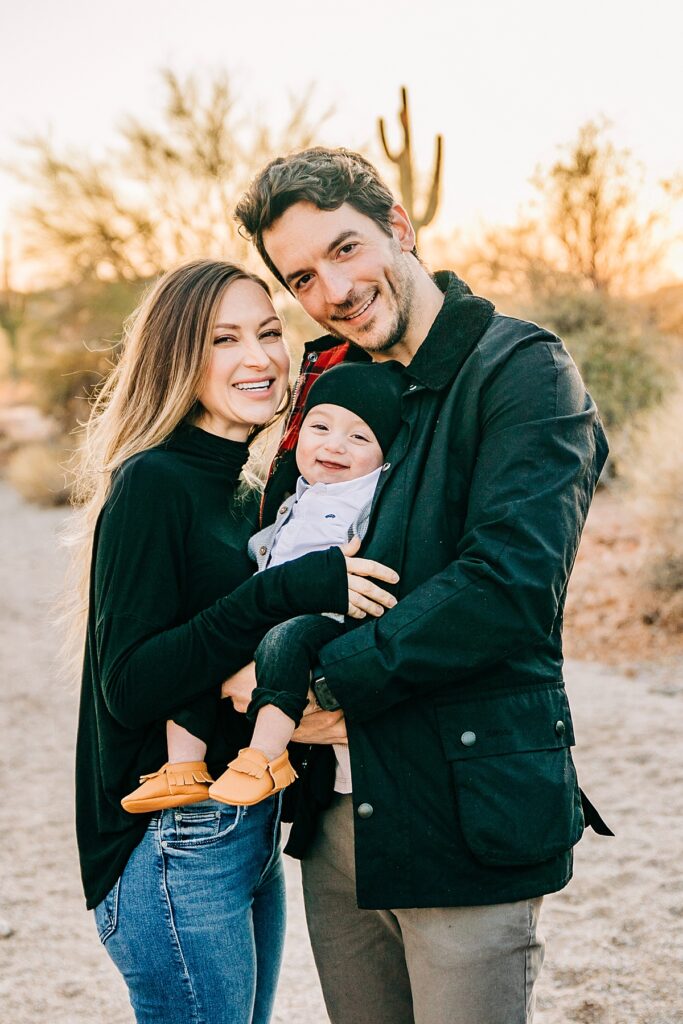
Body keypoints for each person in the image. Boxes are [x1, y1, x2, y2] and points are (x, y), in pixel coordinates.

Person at [228, 148, 614, 1024]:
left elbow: (506, 586)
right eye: (301, 276)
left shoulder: (522, 371)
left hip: (464, 802)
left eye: (344, 249)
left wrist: (321, 686)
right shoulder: (327, 387)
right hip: (336, 816)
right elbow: (281, 554)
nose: (330, 288)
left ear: (398, 227)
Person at [72, 259, 398, 1024]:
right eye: (224, 339)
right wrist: (286, 588)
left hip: (242, 822)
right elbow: (133, 684)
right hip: (169, 840)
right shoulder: (154, 482)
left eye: (267, 332)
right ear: (177, 356)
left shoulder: (249, 489)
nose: (258, 358)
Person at [120, 359, 405, 811]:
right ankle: (183, 766)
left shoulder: (371, 497)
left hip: (322, 616)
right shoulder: (296, 491)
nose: (335, 446)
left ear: (384, 455)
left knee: (283, 643)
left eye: (359, 437)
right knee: (206, 646)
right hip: (276, 603)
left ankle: (266, 758)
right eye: (321, 427)